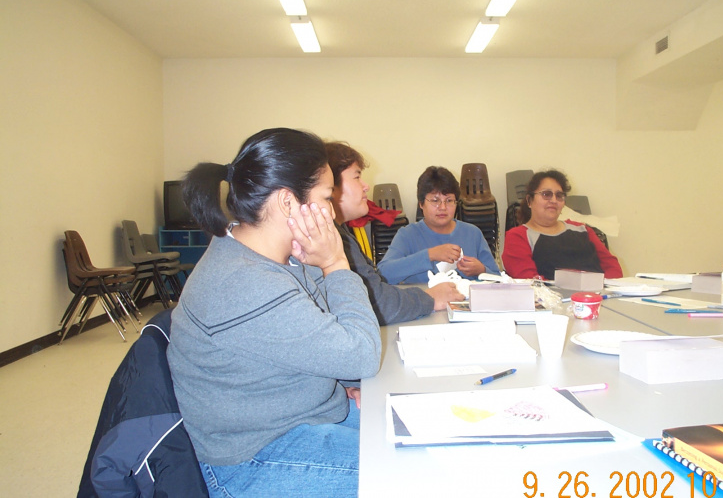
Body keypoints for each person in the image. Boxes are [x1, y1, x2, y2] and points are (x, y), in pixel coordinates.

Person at [167, 128, 381, 497]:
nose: (330, 212)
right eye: (325, 198)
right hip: (253, 456)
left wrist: (340, 384)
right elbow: (361, 355)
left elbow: (330, 336)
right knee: (415, 472)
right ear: (287, 202)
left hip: (300, 415)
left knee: (418, 436)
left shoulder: (275, 256)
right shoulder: (242, 282)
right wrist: (335, 263)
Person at [325, 142, 464, 324]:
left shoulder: (340, 233)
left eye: (450, 200)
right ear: (329, 186)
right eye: (357, 177)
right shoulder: (333, 239)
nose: (366, 186)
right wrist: (429, 297)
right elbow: (378, 300)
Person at [378, 166, 500, 284]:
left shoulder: (473, 233)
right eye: (435, 200)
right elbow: (383, 274)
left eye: (449, 200)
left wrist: (481, 271)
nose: (443, 207)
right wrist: (430, 255)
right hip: (423, 302)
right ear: (421, 204)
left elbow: (499, 280)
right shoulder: (407, 235)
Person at [502, 169, 623, 280]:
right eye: (546, 194)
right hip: (553, 301)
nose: (554, 200)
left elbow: (613, 268)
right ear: (529, 201)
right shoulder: (518, 237)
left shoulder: (583, 229)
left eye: (559, 196)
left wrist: (598, 291)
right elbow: (530, 281)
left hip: (598, 297)